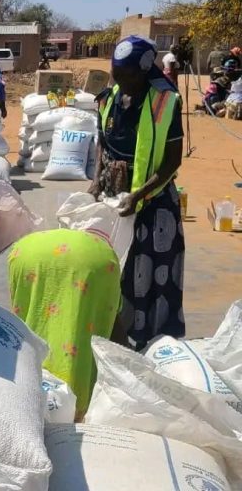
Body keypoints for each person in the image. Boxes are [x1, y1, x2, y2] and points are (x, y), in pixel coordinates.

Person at [89, 36, 184, 352]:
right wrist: (96, 180)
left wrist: (139, 194)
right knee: (112, 272)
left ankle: (151, 345)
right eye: (117, 72)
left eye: (129, 74)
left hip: (152, 204)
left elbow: (172, 161)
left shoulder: (165, 102)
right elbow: (102, 140)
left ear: (146, 72)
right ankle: (116, 339)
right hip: (115, 200)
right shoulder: (110, 98)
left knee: (148, 277)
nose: (122, 80)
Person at [9, 228, 123, 419]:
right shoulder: (103, 251)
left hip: (27, 253)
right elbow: (112, 320)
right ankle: (78, 405)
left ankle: (38, 383)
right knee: (91, 317)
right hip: (96, 258)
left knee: (32, 311)